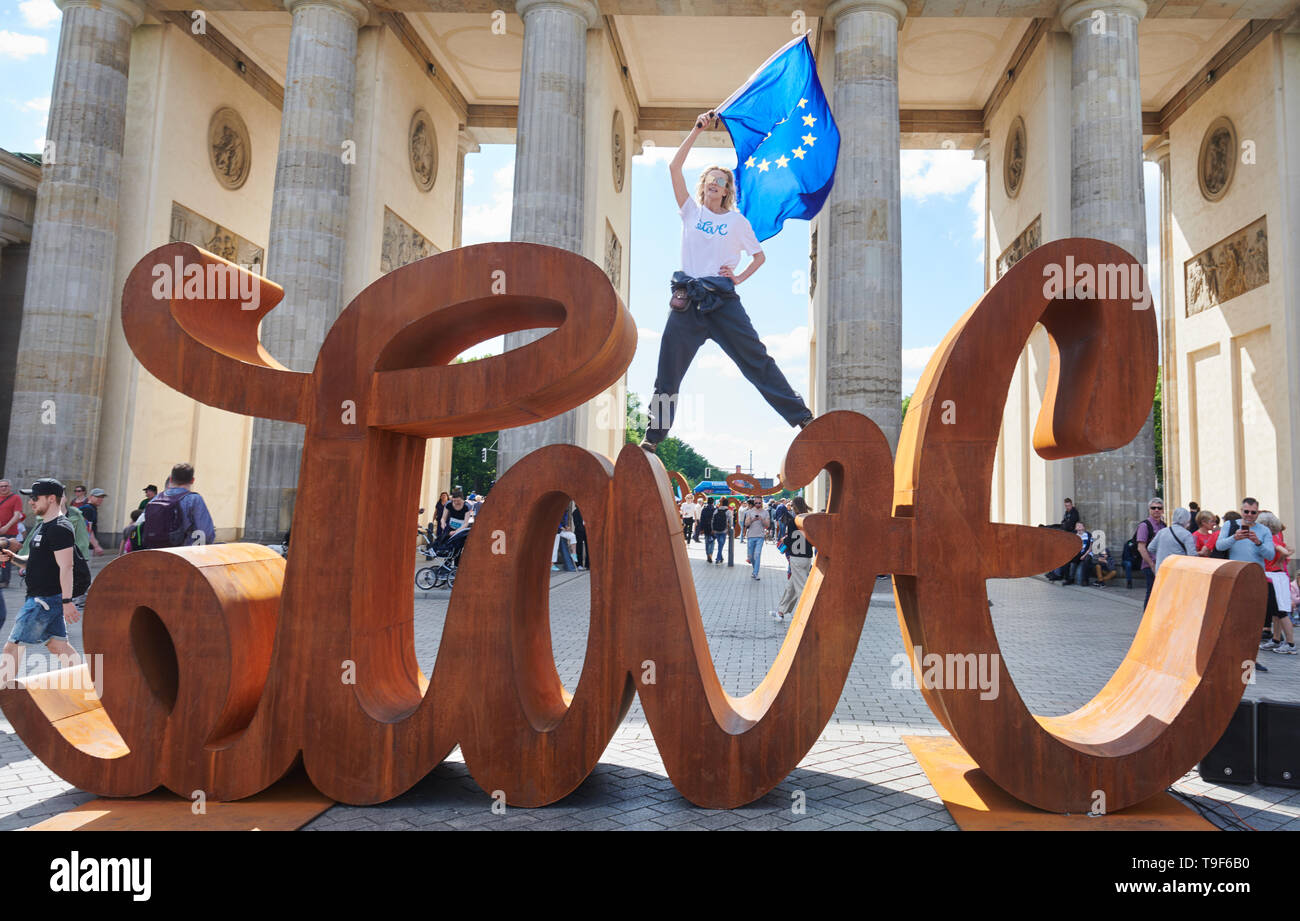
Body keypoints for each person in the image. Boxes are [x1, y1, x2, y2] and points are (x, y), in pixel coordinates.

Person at [639, 111, 813, 453]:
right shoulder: (691, 211)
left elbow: (759, 257)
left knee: (756, 360)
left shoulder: (736, 221)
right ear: (703, 185)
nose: (714, 183)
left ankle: (802, 417)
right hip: (688, 301)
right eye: (710, 179)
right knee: (667, 373)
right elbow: (673, 169)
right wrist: (697, 130)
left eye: (721, 180)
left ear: (727, 190)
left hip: (722, 302)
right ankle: (653, 437)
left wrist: (739, 277)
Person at [0, 479, 82, 685]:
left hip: (43, 600)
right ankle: (86, 685)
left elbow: (66, 566)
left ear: (51, 498)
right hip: (44, 599)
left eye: (35, 497)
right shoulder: (43, 526)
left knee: (12, 648)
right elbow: (35, 561)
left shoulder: (60, 528)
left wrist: (67, 602)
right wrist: (13, 557)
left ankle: (1, 689)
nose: (31, 502)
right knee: (58, 646)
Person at [1218, 498, 1277, 671]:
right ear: (1241, 511)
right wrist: (1234, 538)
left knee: (1253, 622)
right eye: (1246, 512)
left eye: (1253, 512)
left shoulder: (1263, 530)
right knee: (1233, 620)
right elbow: (1219, 546)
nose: (1249, 515)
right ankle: (1231, 658)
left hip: (1255, 580)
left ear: (1257, 513)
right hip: (1234, 577)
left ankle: (1249, 660)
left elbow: (1270, 555)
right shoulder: (1231, 526)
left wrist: (1257, 542)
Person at [142, 463, 215, 547]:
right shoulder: (194, 499)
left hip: (157, 552)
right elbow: (206, 533)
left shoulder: (156, 499)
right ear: (192, 480)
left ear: (170, 479)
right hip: (183, 553)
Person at [770, 497, 813, 621]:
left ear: (794, 507)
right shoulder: (809, 520)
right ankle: (781, 611)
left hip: (796, 557)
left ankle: (809, 614)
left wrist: (784, 540)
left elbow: (791, 540)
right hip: (807, 557)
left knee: (801, 588)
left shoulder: (793, 522)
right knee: (791, 587)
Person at [1258, 511, 1295, 654]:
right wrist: (1280, 561)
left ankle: (1290, 644)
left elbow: (1285, 551)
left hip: (1274, 577)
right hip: (1277, 576)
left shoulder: (1271, 540)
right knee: (1276, 611)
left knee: (1281, 611)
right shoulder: (1276, 537)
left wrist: (1278, 562)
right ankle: (1276, 639)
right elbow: (1288, 550)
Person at [1136, 498, 1166, 609]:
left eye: (1159, 508)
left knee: (1159, 593)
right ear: (1149, 510)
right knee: (1151, 592)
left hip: (1161, 564)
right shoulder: (1144, 526)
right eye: (1153, 508)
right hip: (1150, 565)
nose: (1156, 510)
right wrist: (1152, 565)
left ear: (1163, 510)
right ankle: (1146, 618)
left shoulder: (1163, 525)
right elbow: (1141, 547)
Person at [1149, 507, 1196, 577]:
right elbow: (1192, 555)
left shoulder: (1162, 531)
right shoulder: (1187, 534)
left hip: (1161, 569)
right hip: (1177, 571)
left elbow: (1150, 548)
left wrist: (1162, 553)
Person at [0, 479, 23, 589]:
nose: (3, 488)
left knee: (5, 557)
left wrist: (6, 527)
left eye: (6, 486)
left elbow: (17, 515)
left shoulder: (16, 498)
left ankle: (5, 580)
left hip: (9, 533)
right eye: (1, 486)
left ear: (10, 487)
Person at [741, 497, 770, 581]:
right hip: (750, 536)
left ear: (762, 503)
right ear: (754, 503)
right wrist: (752, 520)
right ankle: (754, 569)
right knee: (751, 557)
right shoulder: (749, 512)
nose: (758, 505)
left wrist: (761, 520)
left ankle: (755, 573)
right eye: (756, 503)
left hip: (760, 536)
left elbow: (767, 525)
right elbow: (746, 524)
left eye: (759, 503)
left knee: (757, 554)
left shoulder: (766, 512)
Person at [82, 488, 107, 556]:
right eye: (97, 496)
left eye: (102, 497)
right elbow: (87, 529)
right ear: (90, 497)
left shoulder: (92, 508)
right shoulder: (88, 509)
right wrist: (96, 546)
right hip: (83, 547)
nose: (100, 499)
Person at [709, 499, 730, 564]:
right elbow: (731, 522)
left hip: (716, 530)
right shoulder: (728, 511)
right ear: (727, 504)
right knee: (721, 544)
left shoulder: (716, 510)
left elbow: (712, 520)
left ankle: (721, 558)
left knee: (719, 544)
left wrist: (712, 529)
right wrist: (730, 530)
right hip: (724, 530)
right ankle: (718, 558)